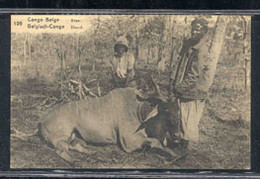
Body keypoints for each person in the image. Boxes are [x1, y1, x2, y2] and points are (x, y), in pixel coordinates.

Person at [168, 18, 211, 154]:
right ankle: (180, 141)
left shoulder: (201, 50)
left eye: (198, 29)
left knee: (188, 118)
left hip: (195, 89)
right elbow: (179, 63)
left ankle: (183, 148)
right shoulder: (188, 44)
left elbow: (194, 75)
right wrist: (172, 81)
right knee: (181, 116)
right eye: (193, 28)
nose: (195, 31)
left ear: (204, 32)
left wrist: (179, 88)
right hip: (185, 86)